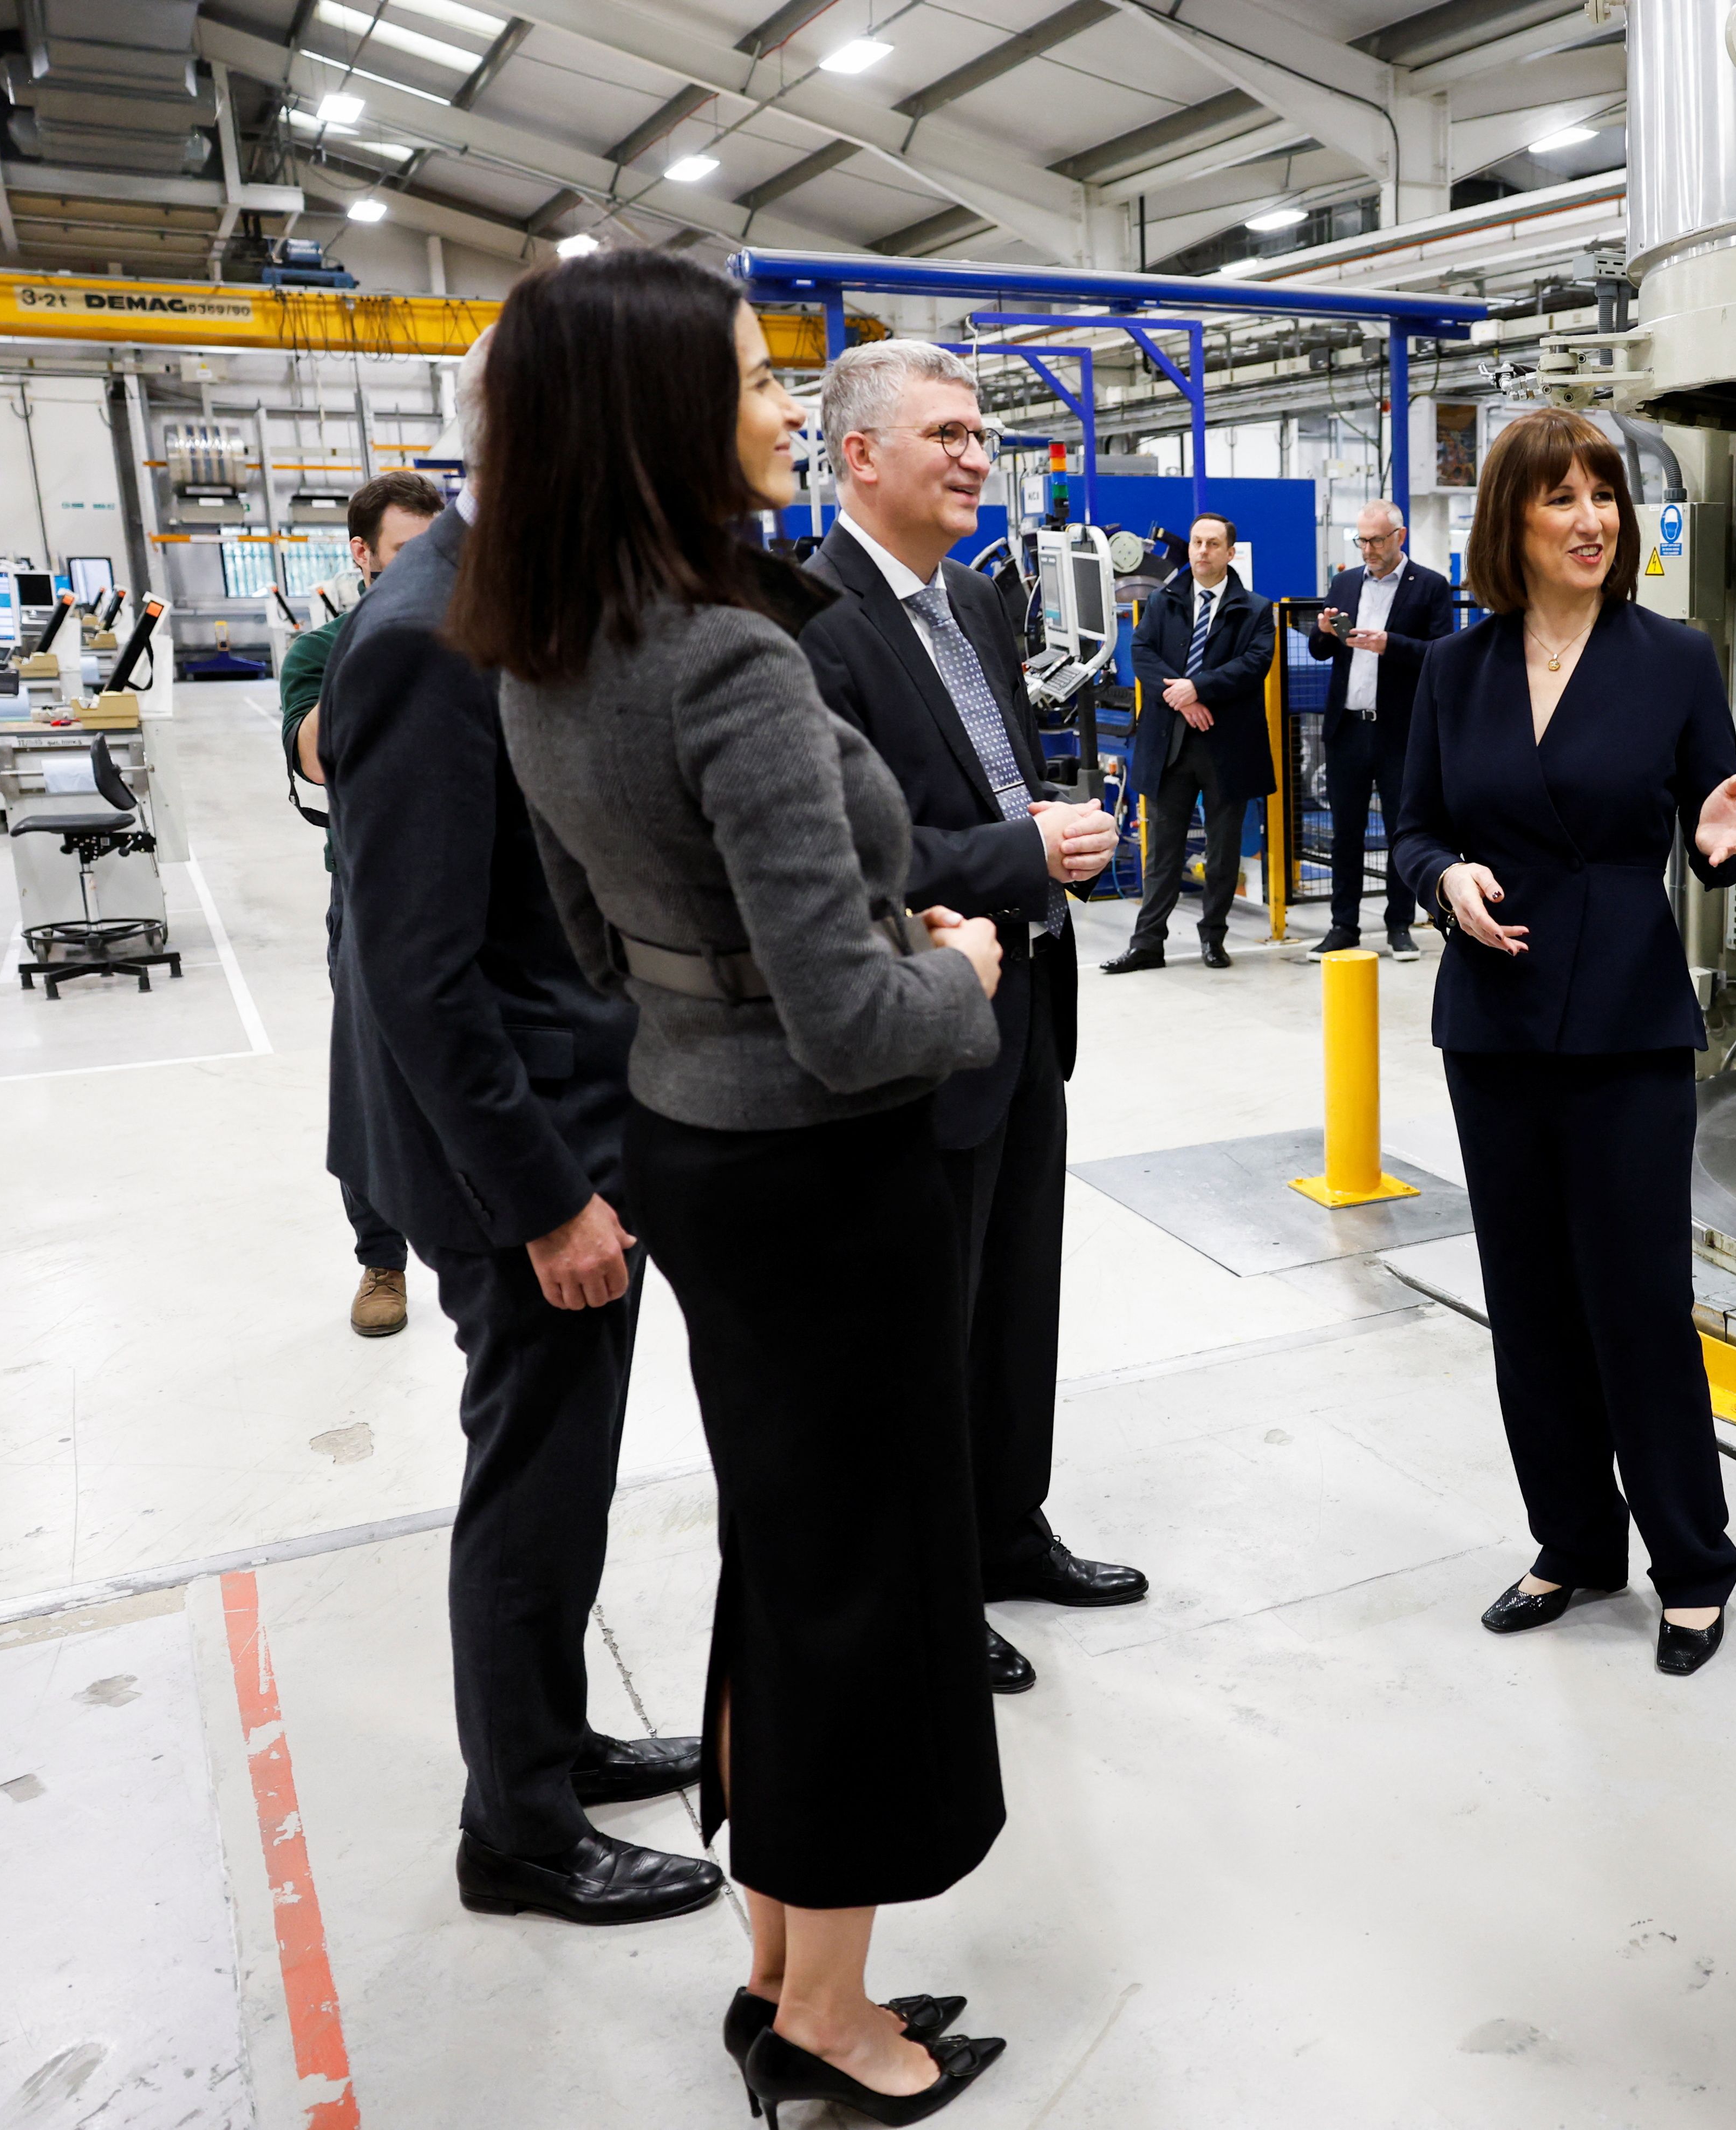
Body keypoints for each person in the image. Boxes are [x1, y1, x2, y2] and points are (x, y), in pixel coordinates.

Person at [460, 249, 1012, 2127]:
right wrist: (960, 970)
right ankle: (832, 2026)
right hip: (823, 1174)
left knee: (788, 1565)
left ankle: (783, 1957)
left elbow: (594, 946)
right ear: (658, 417)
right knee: (861, 1584)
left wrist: (763, 978)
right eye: (760, 384)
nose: (785, 411)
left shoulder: (547, 645)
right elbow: (863, 1023)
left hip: (695, 1137)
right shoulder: (726, 657)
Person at [318, 347, 719, 1936]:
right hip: (520, 1157)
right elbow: (415, 972)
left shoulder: (503, 588)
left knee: (571, 1476)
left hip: (569, 1121)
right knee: (533, 1485)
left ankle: (552, 1752)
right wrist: (549, 1200)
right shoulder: (425, 636)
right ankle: (522, 1835)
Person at [1390, 406, 1736, 1678]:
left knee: (1636, 1301)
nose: (1589, 519)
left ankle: (1691, 1562)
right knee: (1527, 1301)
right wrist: (1441, 872)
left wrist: (1716, 846)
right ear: (1508, 517)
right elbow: (1406, 828)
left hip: (1623, 1017)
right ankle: (1570, 1538)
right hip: (1494, 1020)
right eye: (1558, 498)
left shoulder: (1672, 657)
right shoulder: (1454, 669)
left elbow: (1708, 817)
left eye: (1602, 496)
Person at [798, 337, 1150, 1699]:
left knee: (1013, 1300)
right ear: (859, 456)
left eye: (980, 435)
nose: (971, 454)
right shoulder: (811, 624)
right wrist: (1021, 853)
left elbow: (984, 781)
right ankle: (932, 1584)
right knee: (924, 1329)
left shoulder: (978, 607)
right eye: (941, 432)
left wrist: (1041, 834)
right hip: (919, 1021)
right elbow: (839, 856)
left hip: (1024, 1013)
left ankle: (1009, 1527)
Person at [282, 467, 442, 1337]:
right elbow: (315, 757)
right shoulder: (322, 652)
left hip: (471, 891)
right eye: (410, 555)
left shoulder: (473, 634)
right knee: (373, 1083)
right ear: (363, 556)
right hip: (373, 899)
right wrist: (369, 637)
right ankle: (382, 1260)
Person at [1105, 512, 1272, 972]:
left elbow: (1255, 664)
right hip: (1170, 746)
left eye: (1213, 544)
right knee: (1162, 852)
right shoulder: (1164, 600)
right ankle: (1147, 944)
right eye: (1197, 542)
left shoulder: (1255, 609)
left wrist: (1199, 689)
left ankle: (1214, 940)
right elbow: (1142, 653)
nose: (1202, 551)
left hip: (1227, 748)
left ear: (1230, 552)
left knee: (1221, 855)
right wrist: (1182, 699)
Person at [1304, 499, 1453, 961]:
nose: (1368, 549)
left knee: (1400, 832)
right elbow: (1318, 651)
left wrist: (1393, 645)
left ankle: (1400, 925)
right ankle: (1343, 925)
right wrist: (1325, 630)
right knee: (1344, 832)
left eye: (1376, 540)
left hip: (1400, 732)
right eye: (1362, 540)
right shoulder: (1346, 582)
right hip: (1348, 728)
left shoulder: (1430, 586)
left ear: (1399, 537)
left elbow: (1443, 653)